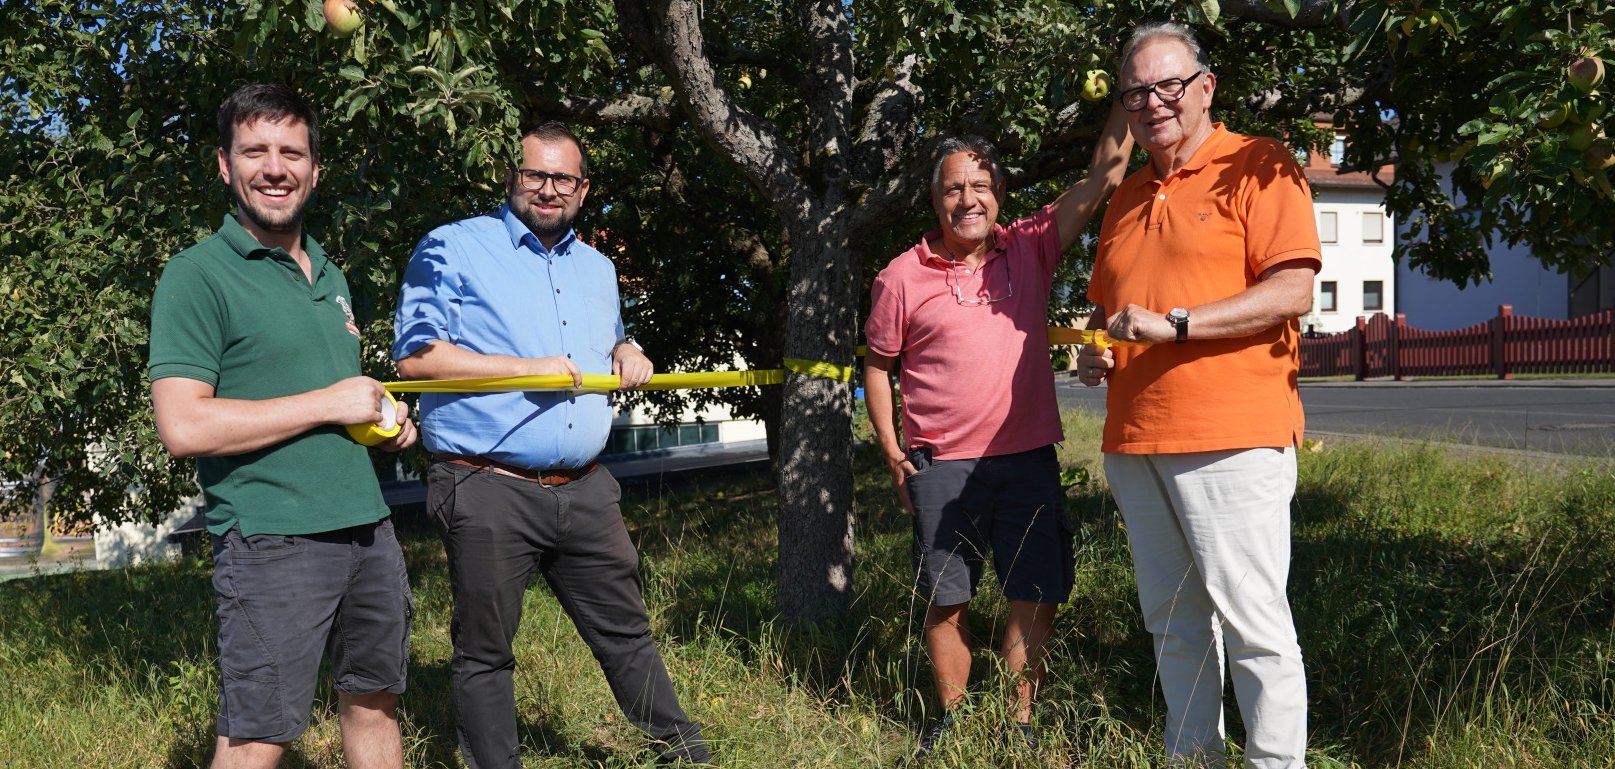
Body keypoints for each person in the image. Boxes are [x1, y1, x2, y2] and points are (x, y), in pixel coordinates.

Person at [392, 122, 711, 767]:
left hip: (586, 487)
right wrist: (523, 367)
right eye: (535, 174)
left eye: (563, 178)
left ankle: (686, 753)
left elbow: (610, 340)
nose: (548, 188)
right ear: (510, 177)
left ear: (583, 188)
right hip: (484, 484)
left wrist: (627, 350)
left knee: (626, 632)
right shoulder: (451, 247)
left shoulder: (598, 268)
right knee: (486, 650)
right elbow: (417, 354)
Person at [149, 83, 418, 769]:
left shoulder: (328, 273)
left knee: (375, 702)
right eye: (255, 151)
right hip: (271, 537)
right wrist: (331, 401)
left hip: (367, 525)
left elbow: (331, 400)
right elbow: (182, 425)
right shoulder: (196, 275)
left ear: (314, 168)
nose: (275, 167)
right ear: (224, 164)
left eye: (291, 152)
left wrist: (385, 422)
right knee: (257, 736)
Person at [1076, 21, 1321, 769]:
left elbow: (1291, 288)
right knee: (1172, 623)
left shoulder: (1257, 163)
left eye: (1168, 85)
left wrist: (1175, 325)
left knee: (1253, 625)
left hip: (1231, 433)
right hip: (1135, 441)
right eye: (1136, 91)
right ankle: (1193, 758)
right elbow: (1102, 311)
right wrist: (1095, 353)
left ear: (1205, 87)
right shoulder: (1124, 197)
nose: (1153, 102)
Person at [863, 104, 1132, 758]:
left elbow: (1102, 176)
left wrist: (1133, 95)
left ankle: (1017, 719)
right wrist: (894, 454)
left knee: (1033, 595)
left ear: (999, 195)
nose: (967, 199)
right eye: (953, 187)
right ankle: (954, 720)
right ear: (934, 198)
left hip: (1026, 459)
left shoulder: (1032, 244)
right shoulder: (899, 276)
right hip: (940, 466)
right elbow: (876, 365)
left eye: (980, 185)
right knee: (945, 599)